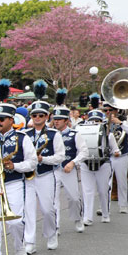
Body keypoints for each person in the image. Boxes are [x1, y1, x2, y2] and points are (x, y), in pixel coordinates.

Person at [0, 80, 36, 255]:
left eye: (2, 119)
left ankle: (19, 248)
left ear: (11, 120)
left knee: (16, 222)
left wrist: (15, 165)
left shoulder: (23, 138)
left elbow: (32, 162)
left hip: (13, 183)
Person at [23, 84, 65, 253]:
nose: (37, 117)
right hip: (28, 177)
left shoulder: (55, 134)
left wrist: (43, 159)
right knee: (28, 210)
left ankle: (51, 233)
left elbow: (60, 157)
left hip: (46, 174)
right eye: (34, 115)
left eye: (41, 115)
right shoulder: (25, 134)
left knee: (48, 209)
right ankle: (30, 241)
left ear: (47, 116)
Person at [51, 91, 87, 234]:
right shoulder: (49, 134)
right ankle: (56, 225)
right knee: (53, 199)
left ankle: (78, 219)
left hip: (68, 169)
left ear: (67, 120)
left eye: (60, 119)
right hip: (52, 170)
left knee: (73, 198)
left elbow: (84, 152)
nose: (57, 121)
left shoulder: (74, 134)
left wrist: (73, 162)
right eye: (55, 118)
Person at [104, 101, 128, 214]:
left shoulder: (124, 121)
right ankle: (104, 205)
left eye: (110, 110)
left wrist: (121, 123)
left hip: (121, 155)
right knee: (105, 182)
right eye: (105, 110)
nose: (108, 112)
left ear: (116, 110)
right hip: (107, 156)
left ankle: (123, 205)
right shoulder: (103, 122)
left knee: (122, 181)